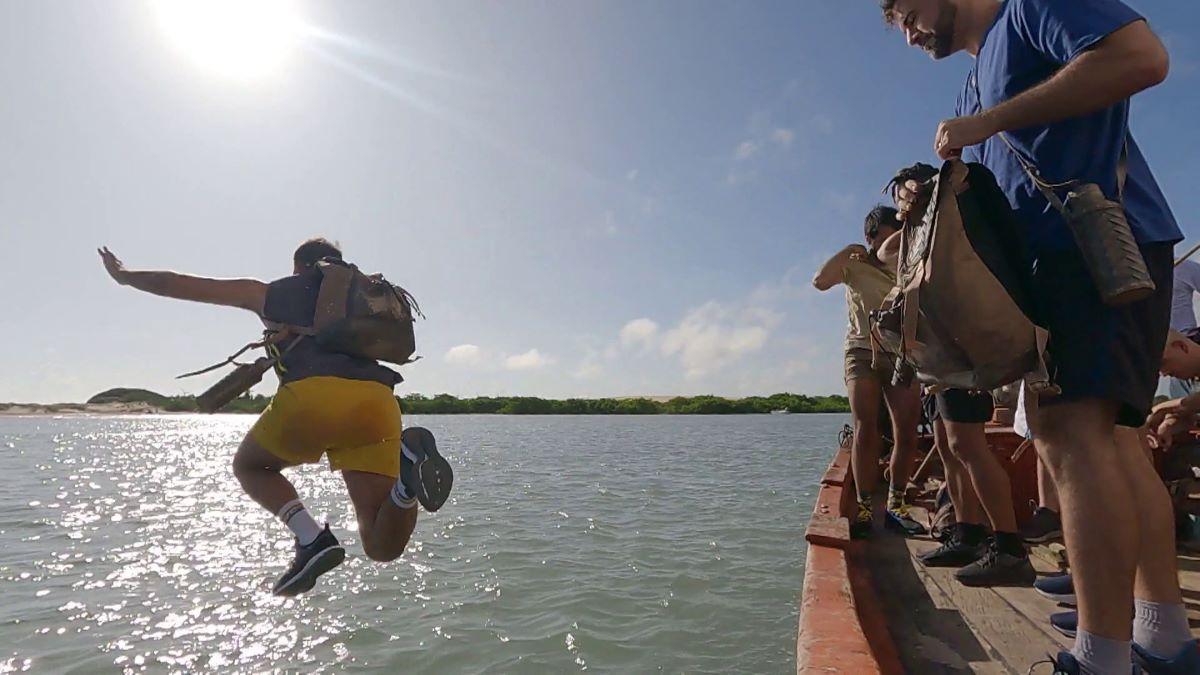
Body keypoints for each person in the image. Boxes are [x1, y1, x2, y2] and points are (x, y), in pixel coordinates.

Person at [879, 1, 1190, 672]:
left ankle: (1101, 656)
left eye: (905, 10)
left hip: (1094, 248)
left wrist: (990, 120)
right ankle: (1163, 638)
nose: (905, 31)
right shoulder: (970, 82)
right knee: (1112, 443)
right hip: (1051, 269)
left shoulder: (1030, 9)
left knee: (1071, 435)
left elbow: (1142, 58)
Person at [98, 239, 453, 596]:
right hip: (378, 402)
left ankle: (311, 538)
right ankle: (406, 484)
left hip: (314, 396)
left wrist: (124, 275)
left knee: (250, 467)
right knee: (381, 547)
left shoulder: (269, 293)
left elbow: (175, 283)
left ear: (299, 267)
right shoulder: (366, 298)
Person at [814, 206, 925, 538]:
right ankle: (863, 508)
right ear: (873, 237)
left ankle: (895, 505)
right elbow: (820, 282)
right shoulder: (855, 264)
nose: (898, 242)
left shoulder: (911, 266)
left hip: (902, 353)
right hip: (862, 350)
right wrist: (849, 251)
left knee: (907, 431)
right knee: (866, 426)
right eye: (891, 235)